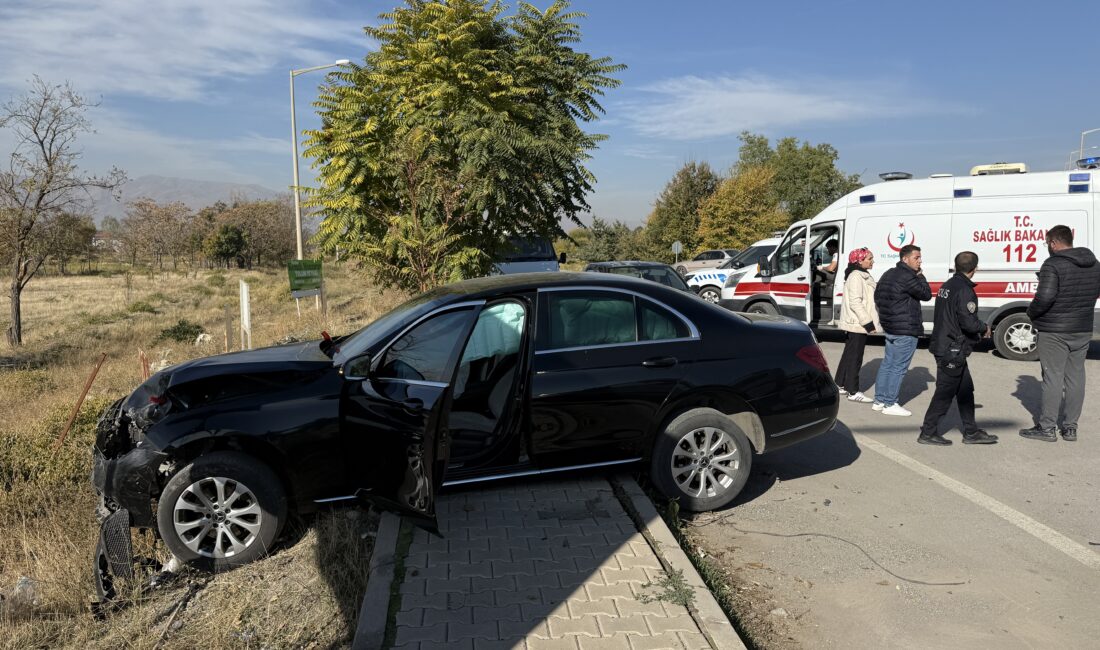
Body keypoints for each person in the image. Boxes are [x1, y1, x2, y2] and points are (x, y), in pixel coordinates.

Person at [1019, 225, 1100, 442]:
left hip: (1054, 330)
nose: (1047, 247)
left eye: (1047, 243)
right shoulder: (1094, 263)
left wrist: (1031, 312)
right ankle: (1070, 428)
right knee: (1076, 377)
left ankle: (1047, 428)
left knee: (1052, 377)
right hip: (1082, 328)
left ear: (1054, 243)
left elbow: (1045, 297)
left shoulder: (1052, 264)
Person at [917, 252, 998, 445]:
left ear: (956, 266)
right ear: (975, 268)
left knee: (965, 390)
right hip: (951, 349)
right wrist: (984, 327)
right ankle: (928, 432)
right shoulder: (964, 290)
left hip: (948, 346)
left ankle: (971, 431)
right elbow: (968, 323)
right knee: (945, 393)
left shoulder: (948, 285)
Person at [873, 244, 931, 416]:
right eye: (916, 258)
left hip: (891, 327)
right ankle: (890, 403)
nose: (920, 261)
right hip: (905, 328)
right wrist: (921, 276)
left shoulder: (888, 273)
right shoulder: (909, 276)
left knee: (888, 364)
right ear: (905, 259)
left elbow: (877, 297)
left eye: (920, 257)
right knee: (898, 367)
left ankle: (879, 400)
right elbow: (926, 294)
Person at [834, 247, 881, 403]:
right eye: (869, 258)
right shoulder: (856, 276)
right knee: (855, 357)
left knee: (849, 354)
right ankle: (852, 391)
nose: (872, 261)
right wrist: (868, 323)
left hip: (857, 322)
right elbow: (855, 302)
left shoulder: (861, 274)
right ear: (859, 261)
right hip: (857, 323)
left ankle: (840, 384)